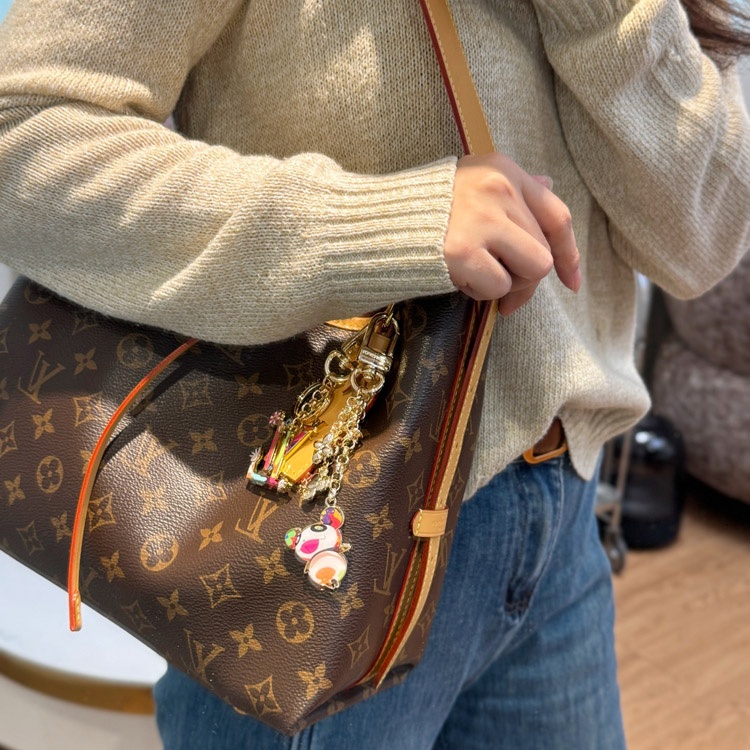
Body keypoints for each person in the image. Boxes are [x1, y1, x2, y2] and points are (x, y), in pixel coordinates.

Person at [0, 1, 748, 747]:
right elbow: (22, 132)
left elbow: (702, 246)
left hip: (562, 507)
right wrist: (387, 223)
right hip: (329, 526)